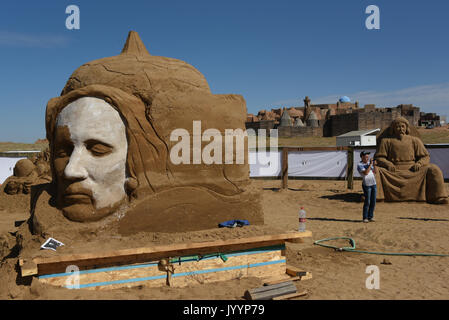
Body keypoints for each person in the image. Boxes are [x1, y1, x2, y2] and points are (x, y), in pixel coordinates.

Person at [375, 117, 448, 204]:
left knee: (434, 169)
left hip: (413, 170)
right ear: (393, 129)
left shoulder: (415, 140)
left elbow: (425, 156)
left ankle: (438, 197)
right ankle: (376, 197)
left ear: (406, 128)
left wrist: (419, 164)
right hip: (393, 171)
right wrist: (387, 164)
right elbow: (379, 157)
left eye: (403, 126)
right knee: (376, 170)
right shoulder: (386, 141)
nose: (401, 129)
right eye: (398, 127)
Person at [357, 151, 377, 223]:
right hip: (366, 185)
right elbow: (366, 173)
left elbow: (375, 172)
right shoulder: (360, 165)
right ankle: (365, 217)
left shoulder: (369, 164)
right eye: (366, 157)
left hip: (373, 184)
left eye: (368, 157)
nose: (367, 158)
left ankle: (370, 216)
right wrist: (371, 164)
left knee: (373, 201)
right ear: (362, 157)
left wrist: (374, 165)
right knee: (367, 201)